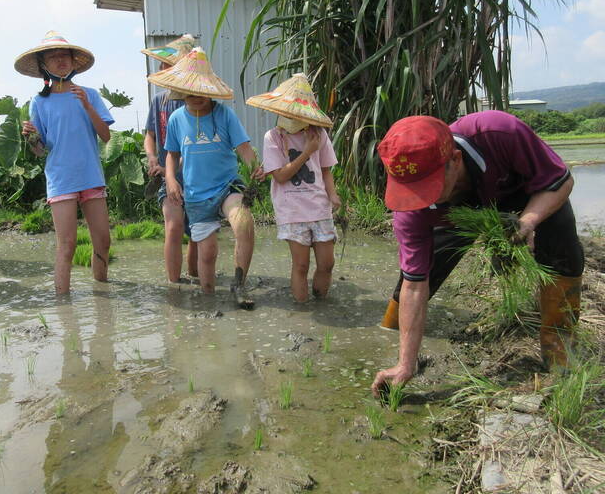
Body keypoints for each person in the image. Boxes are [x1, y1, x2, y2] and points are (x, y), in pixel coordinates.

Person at [371, 111, 584, 396]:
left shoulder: (500, 133)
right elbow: (414, 285)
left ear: (455, 160)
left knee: (562, 250)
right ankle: (392, 328)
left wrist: (529, 221)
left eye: (428, 187)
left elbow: (560, 180)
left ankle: (559, 345)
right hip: (451, 214)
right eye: (412, 190)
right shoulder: (414, 209)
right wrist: (405, 364)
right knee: (424, 271)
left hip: (522, 193)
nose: (420, 199)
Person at [152, 48, 264, 307]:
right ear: (182, 92)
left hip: (228, 186)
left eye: (203, 91)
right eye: (191, 92)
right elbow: (171, 155)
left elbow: (244, 149)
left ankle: (238, 284)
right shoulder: (177, 119)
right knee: (208, 253)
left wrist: (255, 168)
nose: (198, 97)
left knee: (244, 223)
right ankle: (208, 298)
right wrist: (171, 179)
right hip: (196, 194)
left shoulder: (224, 114)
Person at [16, 31, 114, 295]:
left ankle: (101, 294)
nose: (60, 61)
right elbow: (41, 150)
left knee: (103, 241)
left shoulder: (90, 95)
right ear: (43, 66)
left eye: (65, 56)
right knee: (67, 244)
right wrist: (30, 137)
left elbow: (105, 136)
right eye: (53, 57)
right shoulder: (39, 102)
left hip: (91, 175)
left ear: (73, 62)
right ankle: (63, 303)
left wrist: (87, 106)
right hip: (61, 179)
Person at [246, 74, 342, 302]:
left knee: (327, 263)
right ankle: (302, 311)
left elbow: (326, 170)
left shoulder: (319, 134)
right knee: (301, 264)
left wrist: (333, 194)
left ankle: (321, 304)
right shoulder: (274, 137)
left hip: (319, 207)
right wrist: (308, 152)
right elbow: (279, 176)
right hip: (292, 210)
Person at [141, 34, 199, 284]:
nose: (163, 68)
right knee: (173, 226)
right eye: (162, 65)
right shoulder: (159, 100)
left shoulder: (197, 100)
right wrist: (152, 157)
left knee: (198, 230)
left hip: (197, 175)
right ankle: (174, 285)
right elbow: (150, 135)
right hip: (168, 176)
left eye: (168, 65)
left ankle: (197, 276)